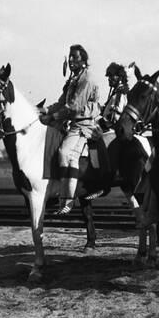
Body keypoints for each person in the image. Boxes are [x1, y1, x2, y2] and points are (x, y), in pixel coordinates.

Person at [40, 44, 101, 215]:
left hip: (83, 125)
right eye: (70, 56)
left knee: (65, 153)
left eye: (75, 57)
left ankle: (67, 199)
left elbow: (74, 107)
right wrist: (44, 110)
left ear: (83, 60)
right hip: (73, 124)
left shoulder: (87, 79)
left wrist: (52, 117)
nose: (71, 60)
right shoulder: (73, 80)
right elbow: (62, 103)